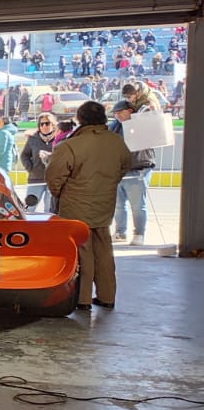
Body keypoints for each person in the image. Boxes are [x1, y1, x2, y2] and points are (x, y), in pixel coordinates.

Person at [46, 101, 133, 309]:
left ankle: (82, 298)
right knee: (104, 248)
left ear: (80, 119)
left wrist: (63, 194)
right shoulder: (116, 142)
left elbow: (53, 177)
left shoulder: (69, 145)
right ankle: (107, 296)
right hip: (105, 203)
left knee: (82, 251)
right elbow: (125, 165)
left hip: (76, 205)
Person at [108, 99, 155, 247]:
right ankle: (120, 232)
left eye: (120, 112)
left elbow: (153, 120)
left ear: (130, 111)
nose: (117, 116)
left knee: (137, 205)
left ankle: (139, 233)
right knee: (118, 205)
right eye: (115, 113)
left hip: (138, 169)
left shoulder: (141, 123)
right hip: (118, 171)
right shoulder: (113, 127)